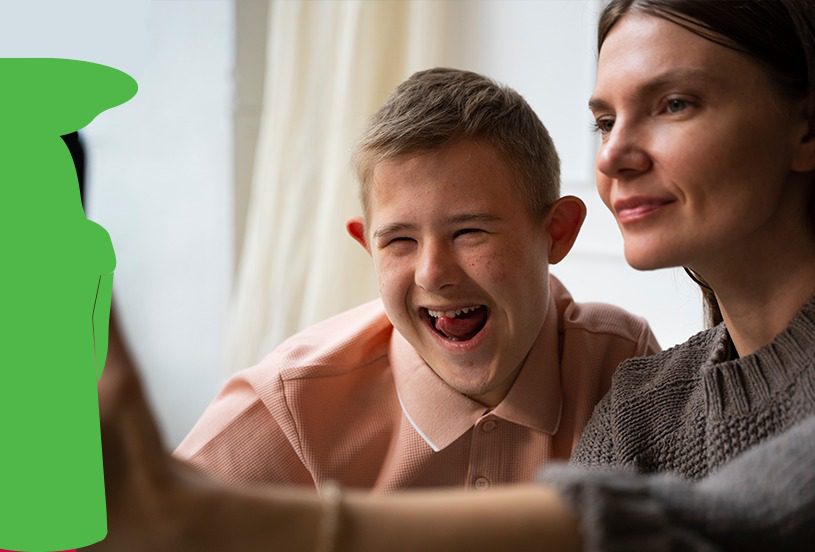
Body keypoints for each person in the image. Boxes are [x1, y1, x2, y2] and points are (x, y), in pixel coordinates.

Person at [90, 0, 815, 550]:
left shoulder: (616, 360)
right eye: (602, 121)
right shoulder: (646, 403)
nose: (615, 155)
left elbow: (741, 514)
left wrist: (216, 519)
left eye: (673, 103)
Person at [174, 68, 659, 490]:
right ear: (368, 246)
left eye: (469, 232)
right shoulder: (294, 399)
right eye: (399, 241)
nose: (433, 274)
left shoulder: (621, 362)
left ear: (557, 232)